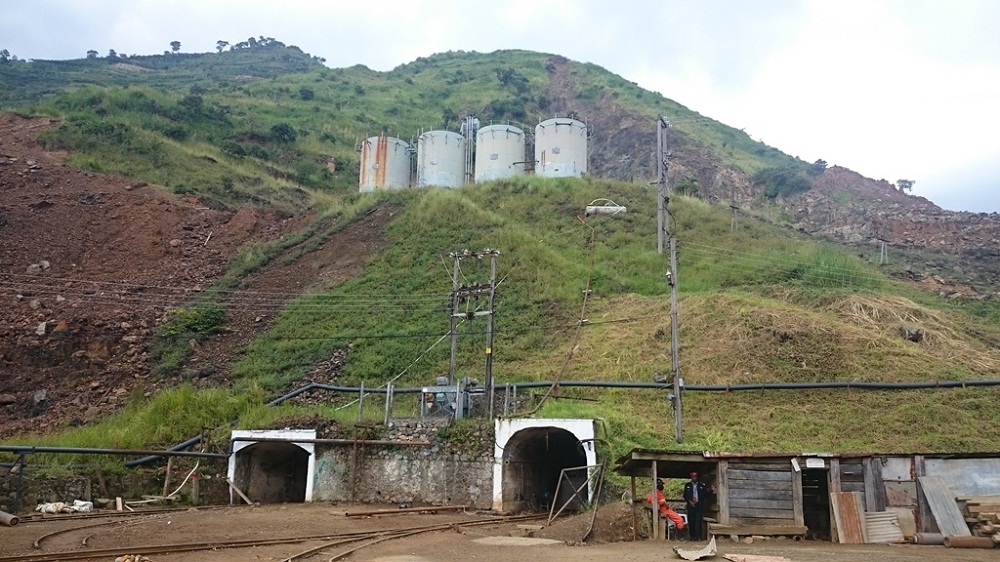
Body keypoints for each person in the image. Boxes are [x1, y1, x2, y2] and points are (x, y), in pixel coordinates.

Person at [683, 471, 714, 541]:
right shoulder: (687, 485)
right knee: (691, 522)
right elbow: (685, 495)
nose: (694, 478)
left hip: (699, 506)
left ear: (697, 477)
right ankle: (692, 536)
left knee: (698, 522)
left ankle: (698, 537)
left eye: (695, 476)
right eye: (693, 477)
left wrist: (711, 490)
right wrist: (690, 501)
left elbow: (706, 495)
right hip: (690, 506)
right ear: (691, 477)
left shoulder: (701, 485)